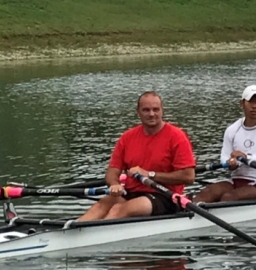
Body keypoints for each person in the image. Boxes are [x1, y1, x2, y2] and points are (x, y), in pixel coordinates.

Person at [78, 91, 196, 221]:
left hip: (165, 195)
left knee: (118, 209)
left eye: (156, 109)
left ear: (162, 111)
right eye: (146, 110)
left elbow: (188, 176)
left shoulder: (177, 136)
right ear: (138, 112)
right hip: (131, 192)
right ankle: (72, 233)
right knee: (99, 206)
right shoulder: (127, 137)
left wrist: (149, 174)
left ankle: (96, 236)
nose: (151, 114)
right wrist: (114, 184)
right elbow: (112, 171)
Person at [194, 84, 256, 203]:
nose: (254, 106)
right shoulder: (232, 130)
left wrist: (247, 158)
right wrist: (230, 163)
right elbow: (224, 158)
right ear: (241, 104)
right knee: (206, 193)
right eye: (250, 102)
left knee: (229, 197)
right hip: (236, 180)